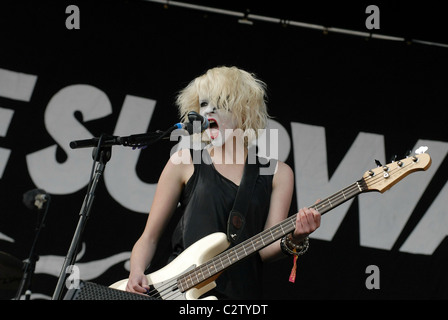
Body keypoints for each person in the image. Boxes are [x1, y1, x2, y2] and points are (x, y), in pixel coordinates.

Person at [126, 66, 321, 299]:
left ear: (243, 111)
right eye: (204, 104)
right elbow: (149, 237)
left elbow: (266, 250)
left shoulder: (279, 173)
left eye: (221, 103)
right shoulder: (184, 161)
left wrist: (295, 238)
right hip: (179, 292)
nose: (209, 111)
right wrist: (137, 271)